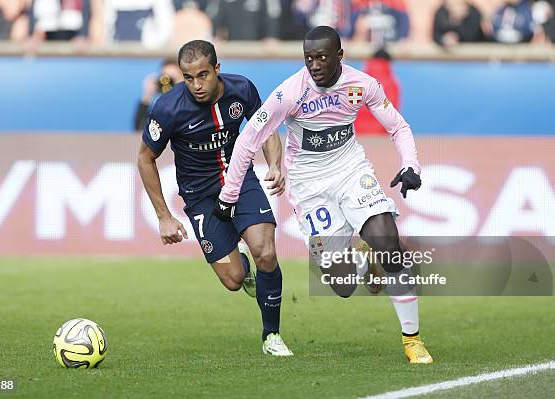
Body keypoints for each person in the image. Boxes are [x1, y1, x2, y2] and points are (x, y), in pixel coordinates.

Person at [213, 26, 433, 364]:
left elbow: (398, 126)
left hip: (351, 171)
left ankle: (412, 340)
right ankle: (365, 259)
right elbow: (248, 141)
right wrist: (229, 195)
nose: (314, 65)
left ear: (340, 57)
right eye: (308, 58)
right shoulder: (290, 92)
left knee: (388, 241)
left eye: (322, 57)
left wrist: (411, 165)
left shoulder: (362, 85)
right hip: (309, 188)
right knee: (343, 285)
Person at [137, 40, 293, 356]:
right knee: (234, 279)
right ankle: (242, 264)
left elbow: (265, 129)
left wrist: (275, 165)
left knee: (266, 251)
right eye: (188, 77)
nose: (196, 85)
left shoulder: (242, 90)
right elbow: (144, 158)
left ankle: (271, 335)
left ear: (217, 69)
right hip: (199, 197)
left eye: (203, 75)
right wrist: (165, 216)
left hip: (240, 181)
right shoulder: (168, 108)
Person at [353, 48, 400, 135]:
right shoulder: (392, 82)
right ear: (389, 62)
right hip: (381, 136)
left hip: (358, 134)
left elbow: (351, 107)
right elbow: (391, 112)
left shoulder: (358, 80)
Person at [134, 59, 184, 132]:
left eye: (173, 79)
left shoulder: (191, 106)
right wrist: (147, 97)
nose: (168, 83)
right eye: (164, 79)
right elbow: (139, 131)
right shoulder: (158, 109)